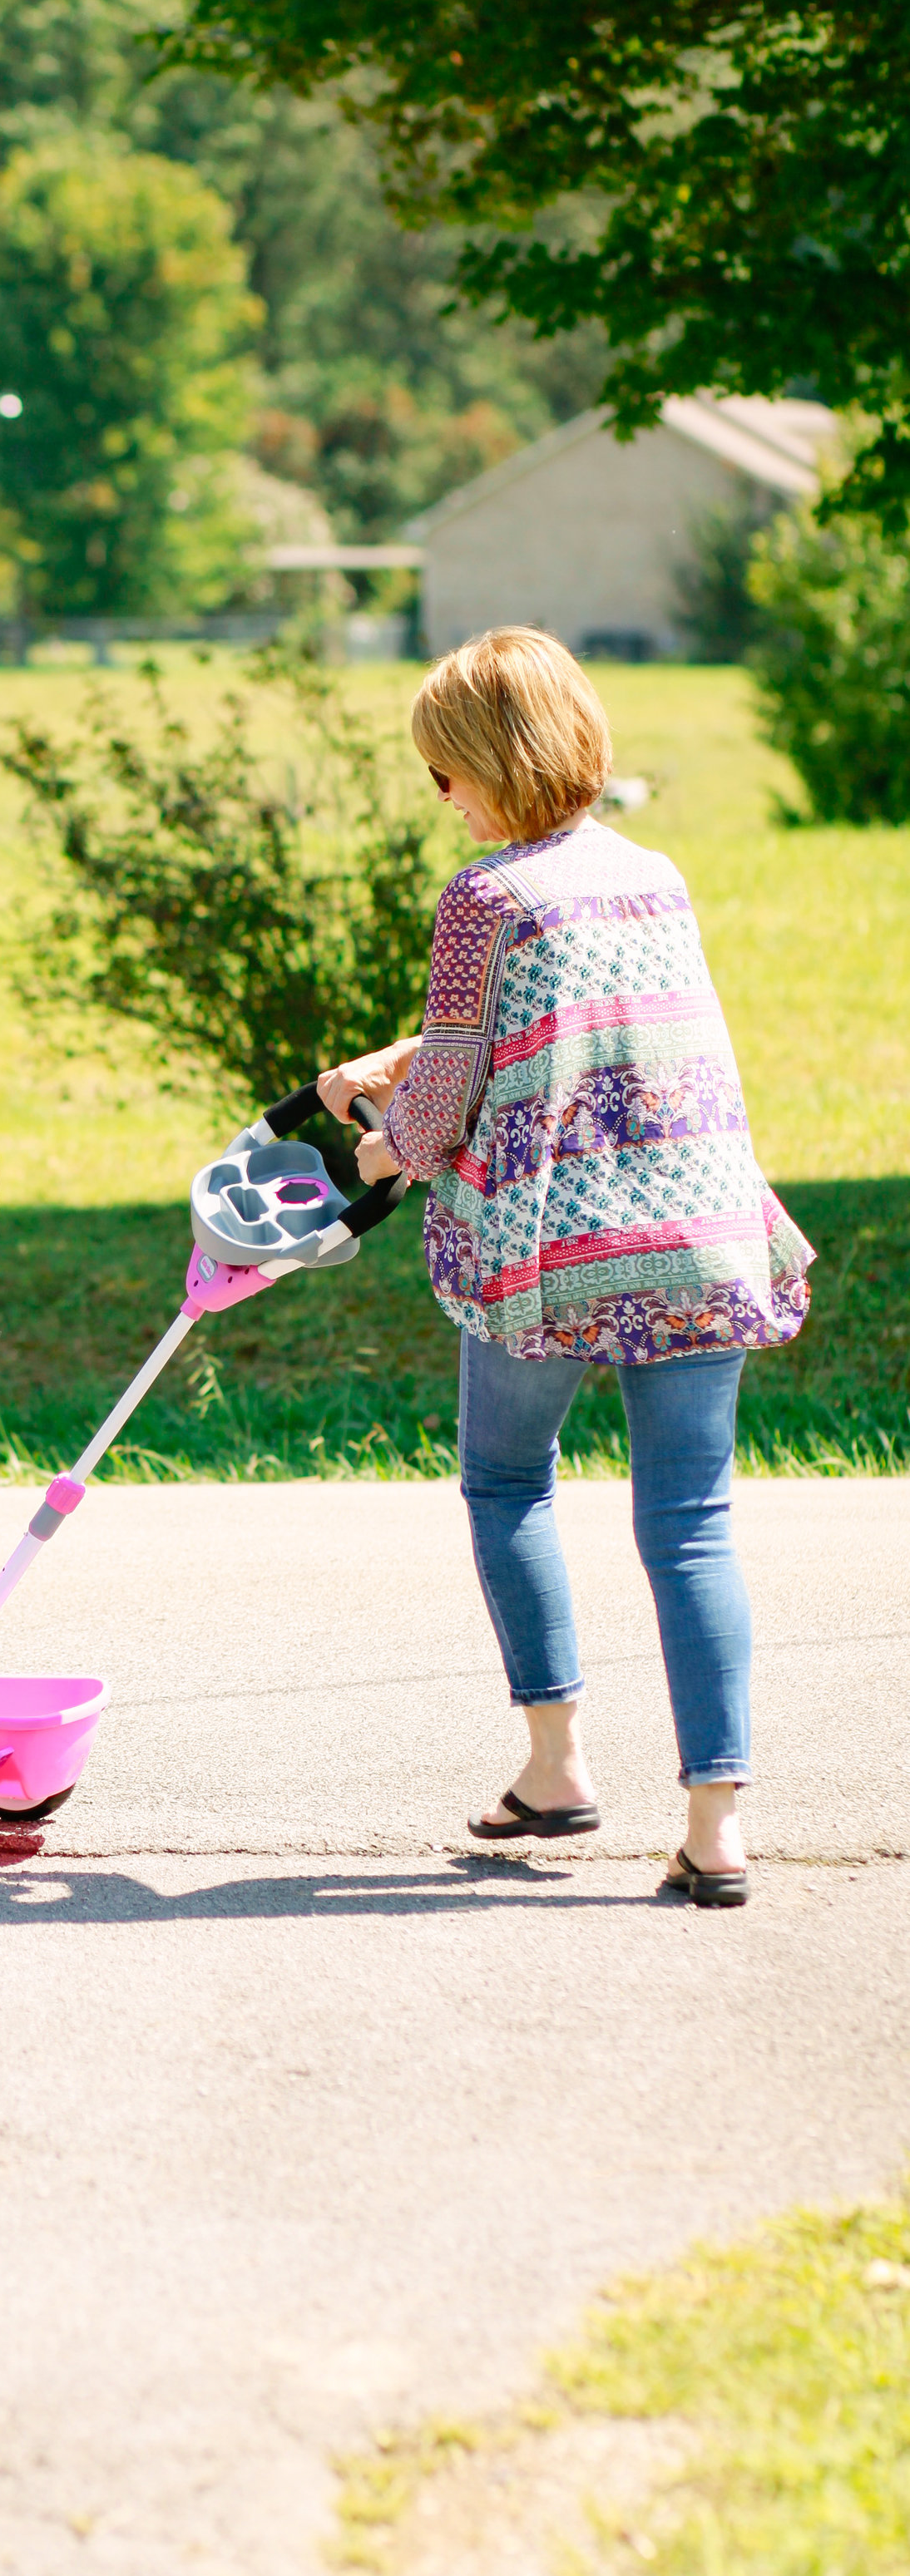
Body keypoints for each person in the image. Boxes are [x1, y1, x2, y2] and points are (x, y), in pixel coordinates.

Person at [319, 626, 812, 1909]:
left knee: (505, 1479)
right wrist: (405, 1055)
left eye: (445, 771)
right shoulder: (655, 876)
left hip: (556, 1258)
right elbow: (559, 1014)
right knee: (692, 1526)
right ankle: (718, 1831)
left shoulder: (482, 899)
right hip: (700, 1240)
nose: (442, 798)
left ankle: (556, 1766)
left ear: (486, 766)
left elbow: (434, 1126)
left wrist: (367, 1132)